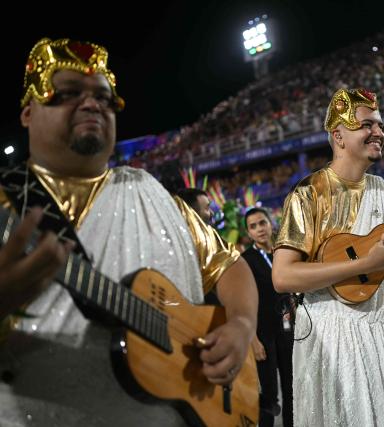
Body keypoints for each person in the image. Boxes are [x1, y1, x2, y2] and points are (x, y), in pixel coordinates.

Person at [0, 37, 258, 426]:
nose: (92, 104)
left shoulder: (156, 196)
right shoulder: (6, 205)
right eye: (68, 93)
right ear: (28, 113)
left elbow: (230, 266)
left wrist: (240, 325)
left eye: (104, 98)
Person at [271, 88, 384, 426]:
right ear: (338, 135)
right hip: (335, 341)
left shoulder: (381, 187)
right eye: (367, 125)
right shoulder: (309, 192)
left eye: (380, 126)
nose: (379, 132)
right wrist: (364, 264)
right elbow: (283, 277)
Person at [242, 207, 294, 427]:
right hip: (263, 334)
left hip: (289, 329)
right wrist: (252, 339)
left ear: (271, 222)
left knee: (294, 389)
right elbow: (243, 303)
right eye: (253, 226)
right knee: (269, 395)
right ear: (248, 232)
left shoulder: (284, 252)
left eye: (262, 222)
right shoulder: (245, 260)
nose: (259, 229)